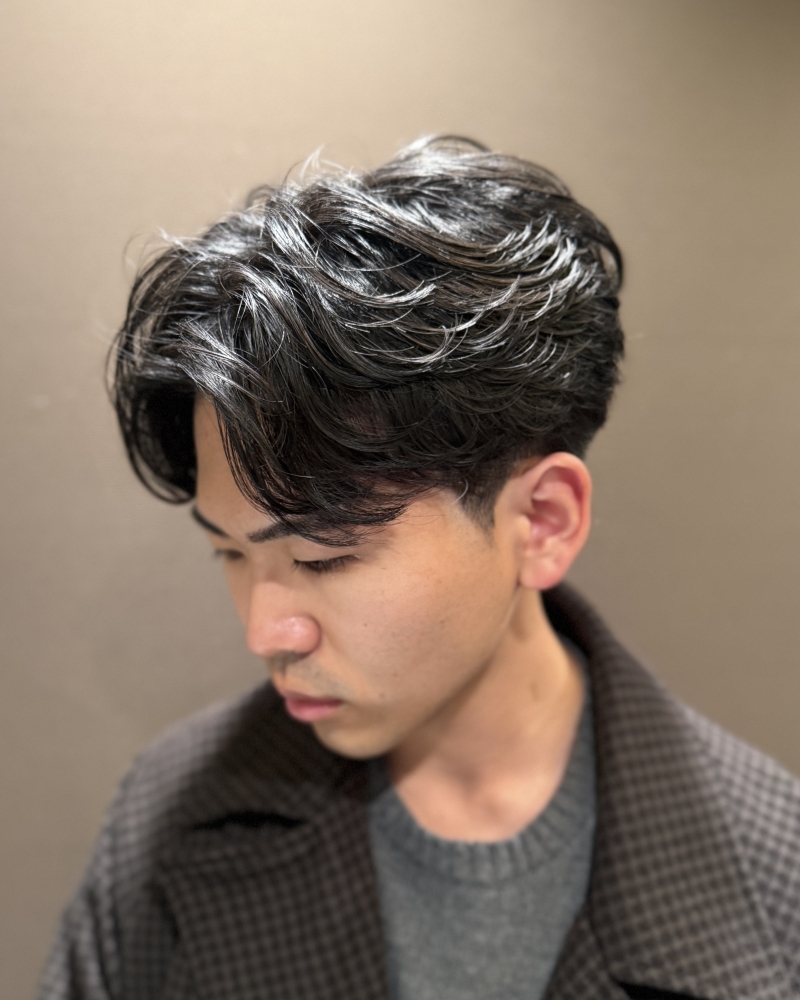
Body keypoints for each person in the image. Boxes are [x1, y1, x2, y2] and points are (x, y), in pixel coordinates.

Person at [39, 137, 800, 1000]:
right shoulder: (167, 820)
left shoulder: (775, 894)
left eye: (324, 558)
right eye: (230, 552)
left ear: (541, 522)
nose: (266, 631)